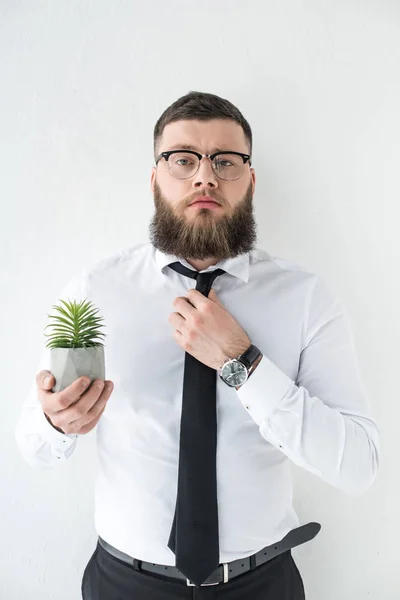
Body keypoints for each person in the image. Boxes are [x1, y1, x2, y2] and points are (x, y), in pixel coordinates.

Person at [15, 91, 380, 600]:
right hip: (124, 584)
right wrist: (55, 421)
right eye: (183, 159)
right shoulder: (96, 290)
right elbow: (32, 445)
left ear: (250, 182)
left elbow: (358, 466)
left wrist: (244, 363)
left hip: (261, 585)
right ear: (154, 179)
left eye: (226, 162)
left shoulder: (306, 299)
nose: (204, 177)